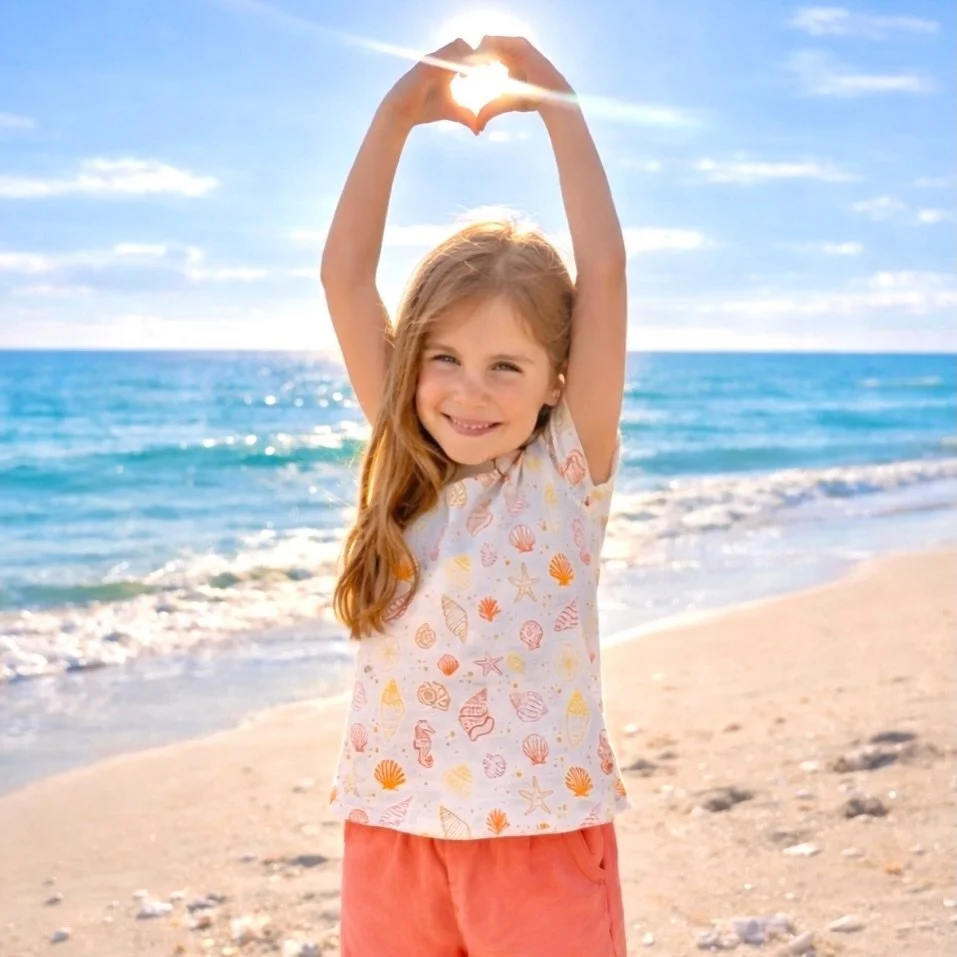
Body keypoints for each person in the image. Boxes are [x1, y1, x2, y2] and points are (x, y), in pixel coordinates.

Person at [320, 33, 630, 957]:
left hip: (537, 835)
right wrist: (395, 118)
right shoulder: (406, 467)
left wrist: (558, 107)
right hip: (391, 827)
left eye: (506, 365)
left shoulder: (565, 473)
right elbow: (343, 276)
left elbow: (606, 273)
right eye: (445, 358)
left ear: (553, 379)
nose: (469, 390)